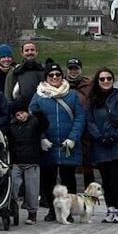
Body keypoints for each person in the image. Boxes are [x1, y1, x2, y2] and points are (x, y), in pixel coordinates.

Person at [28, 60, 84, 221]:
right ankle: (53, 210)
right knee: (49, 180)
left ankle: (69, 211)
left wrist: (73, 138)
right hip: (48, 145)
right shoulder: (38, 97)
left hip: (67, 144)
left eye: (58, 74)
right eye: (51, 75)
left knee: (68, 179)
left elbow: (80, 117)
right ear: (46, 78)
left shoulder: (72, 95)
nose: (54, 77)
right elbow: (32, 120)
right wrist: (41, 138)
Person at [86, 67, 118, 224]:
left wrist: (115, 136)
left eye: (109, 78)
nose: (106, 81)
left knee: (115, 177)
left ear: (113, 80)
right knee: (105, 179)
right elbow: (89, 121)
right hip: (100, 145)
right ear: (97, 81)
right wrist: (99, 136)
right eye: (102, 79)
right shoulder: (92, 99)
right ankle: (110, 209)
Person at [8, 99, 47, 224]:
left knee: (32, 189)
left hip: (32, 160)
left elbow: (44, 125)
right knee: (13, 186)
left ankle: (32, 213)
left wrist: (40, 113)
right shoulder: (11, 126)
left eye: (22, 113)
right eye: (18, 115)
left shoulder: (35, 121)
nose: (21, 116)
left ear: (27, 112)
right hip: (17, 161)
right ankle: (13, 208)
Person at [65, 58, 96, 187]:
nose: (73, 71)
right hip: (69, 127)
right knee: (69, 161)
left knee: (87, 161)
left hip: (87, 128)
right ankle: (70, 195)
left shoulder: (90, 85)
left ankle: (90, 195)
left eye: (76, 68)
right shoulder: (61, 85)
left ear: (81, 70)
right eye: (71, 68)